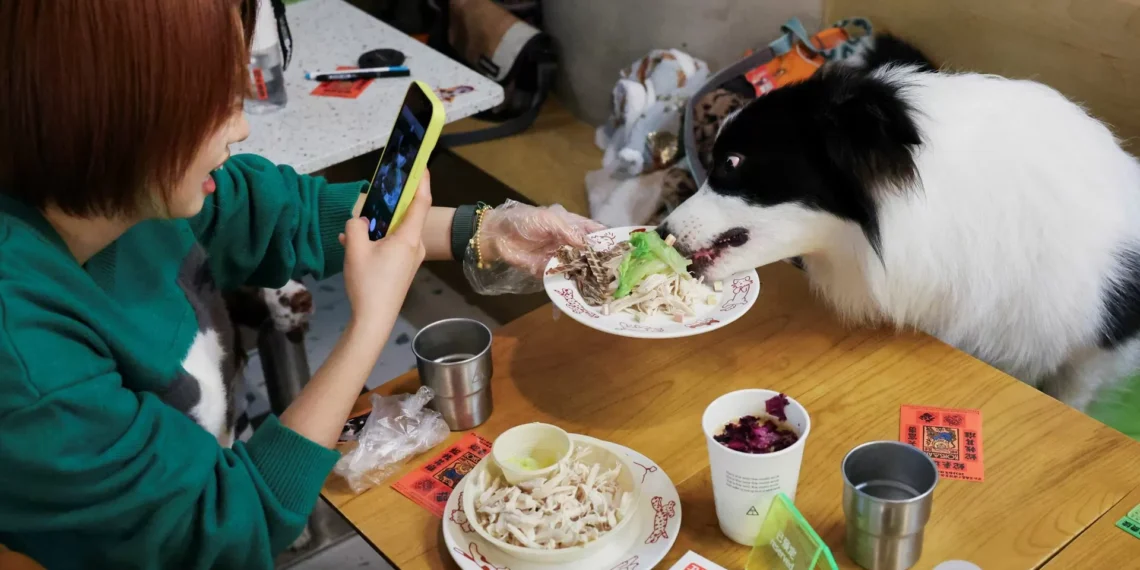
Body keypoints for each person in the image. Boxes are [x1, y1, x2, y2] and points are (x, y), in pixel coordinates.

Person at [0, 1, 602, 568]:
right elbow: (222, 528)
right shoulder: (25, 360)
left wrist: (490, 232)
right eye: (212, 103)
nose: (240, 128)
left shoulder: (128, 195)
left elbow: (277, 212)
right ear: (103, 109)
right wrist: (370, 325)